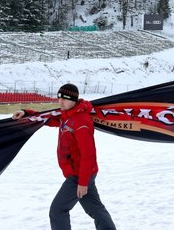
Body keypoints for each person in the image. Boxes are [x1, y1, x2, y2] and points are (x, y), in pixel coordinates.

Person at [12, 83, 117, 230]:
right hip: (83, 174)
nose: (60, 102)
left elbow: (89, 155)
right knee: (95, 209)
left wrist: (83, 182)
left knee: (58, 210)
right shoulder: (66, 115)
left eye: (65, 99)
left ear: (74, 100)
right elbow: (48, 118)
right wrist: (26, 113)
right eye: (59, 98)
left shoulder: (81, 122)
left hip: (79, 175)